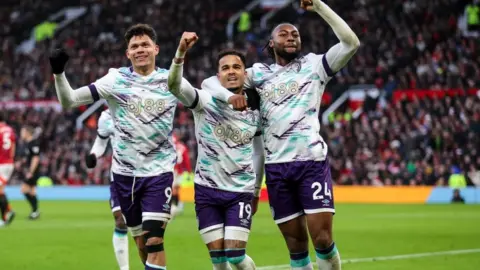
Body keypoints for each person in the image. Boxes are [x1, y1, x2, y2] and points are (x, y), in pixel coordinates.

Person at [49, 23, 235, 270]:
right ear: (127, 53)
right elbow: (69, 100)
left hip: (158, 173)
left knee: (155, 240)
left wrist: (232, 100)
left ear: (156, 49)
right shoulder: (115, 79)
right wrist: (59, 72)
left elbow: (203, 99)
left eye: (145, 44)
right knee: (141, 243)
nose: (140, 49)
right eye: (134, 46)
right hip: (124, 176)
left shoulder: (170, 81)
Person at [203, 0, 360, 269]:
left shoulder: (314, 66)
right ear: (271, 43)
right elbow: (209, 83)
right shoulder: (259, 74)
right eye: (283, 34)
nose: (291, 37)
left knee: (322, 239)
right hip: (276, 169)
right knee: (297, 249)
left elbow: (351, 43)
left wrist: (320, 7)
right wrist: (230, 97)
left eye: (295, 34)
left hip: (310, 162)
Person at [167, 32, 265, 270]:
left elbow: (259, 152)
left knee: (235, 256)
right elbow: (174, 85)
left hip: (239, 191)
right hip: (207, 191)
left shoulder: (257, 111)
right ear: (217, 75)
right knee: (219, 262)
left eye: (236, 67)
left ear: (245, 73)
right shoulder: (204, 102)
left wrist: (255, 191)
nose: (231, 71)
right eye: (225, 68)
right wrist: (180, 53)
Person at [85, 109, 129, 270]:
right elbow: (101, 141)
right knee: (120, 219)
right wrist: (94, 154)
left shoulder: (138, 107)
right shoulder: (105, 117)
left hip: (144, 173)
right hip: (118, 175)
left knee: (145, 227)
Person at [20, 125, 41, 220]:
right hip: (30, 171)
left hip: (33, 171)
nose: (21, 133)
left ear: (27, 133)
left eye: (23, 131)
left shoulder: (34, 143)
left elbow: (36, 158)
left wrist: (31, 172)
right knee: (32, 191)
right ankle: (35, 212)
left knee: (24, 189)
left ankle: (35, 211)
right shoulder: (28, 144)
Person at [170, 133, 192, 218]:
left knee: (173, 189)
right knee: (178, 189)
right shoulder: (182, 147)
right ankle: (179, 206)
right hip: (180, 171)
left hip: (172, 170)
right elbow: (186, 161)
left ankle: (172, 206)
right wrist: (189, 171)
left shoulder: (170, 146)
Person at [0, 113, 16, 226]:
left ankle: (5, 217)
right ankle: (9, 211)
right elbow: (13, 148)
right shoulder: (10, 130)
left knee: (0, 192)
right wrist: (10, 160)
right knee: (1, 191)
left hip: (1, 164)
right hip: (9, 164)